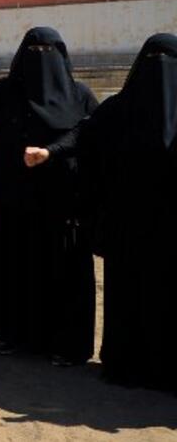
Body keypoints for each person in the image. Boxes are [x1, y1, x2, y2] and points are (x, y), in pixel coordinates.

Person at [0, 26, 96, 365]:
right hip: (10, 200)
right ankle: (11, 333)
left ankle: (61, 343)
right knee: (11, 267)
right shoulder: (7, 92)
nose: (40, 59)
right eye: (32, 50)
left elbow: (89, 131)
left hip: (59, 202)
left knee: (58, 269)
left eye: (47, 50)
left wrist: (51, 152)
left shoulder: (79, 95)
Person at [79, 33, 177, 388]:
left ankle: (124, 363)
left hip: (124, 227)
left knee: (126, 297)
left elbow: (87, 165)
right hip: (163, 230)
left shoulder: (113, 112)